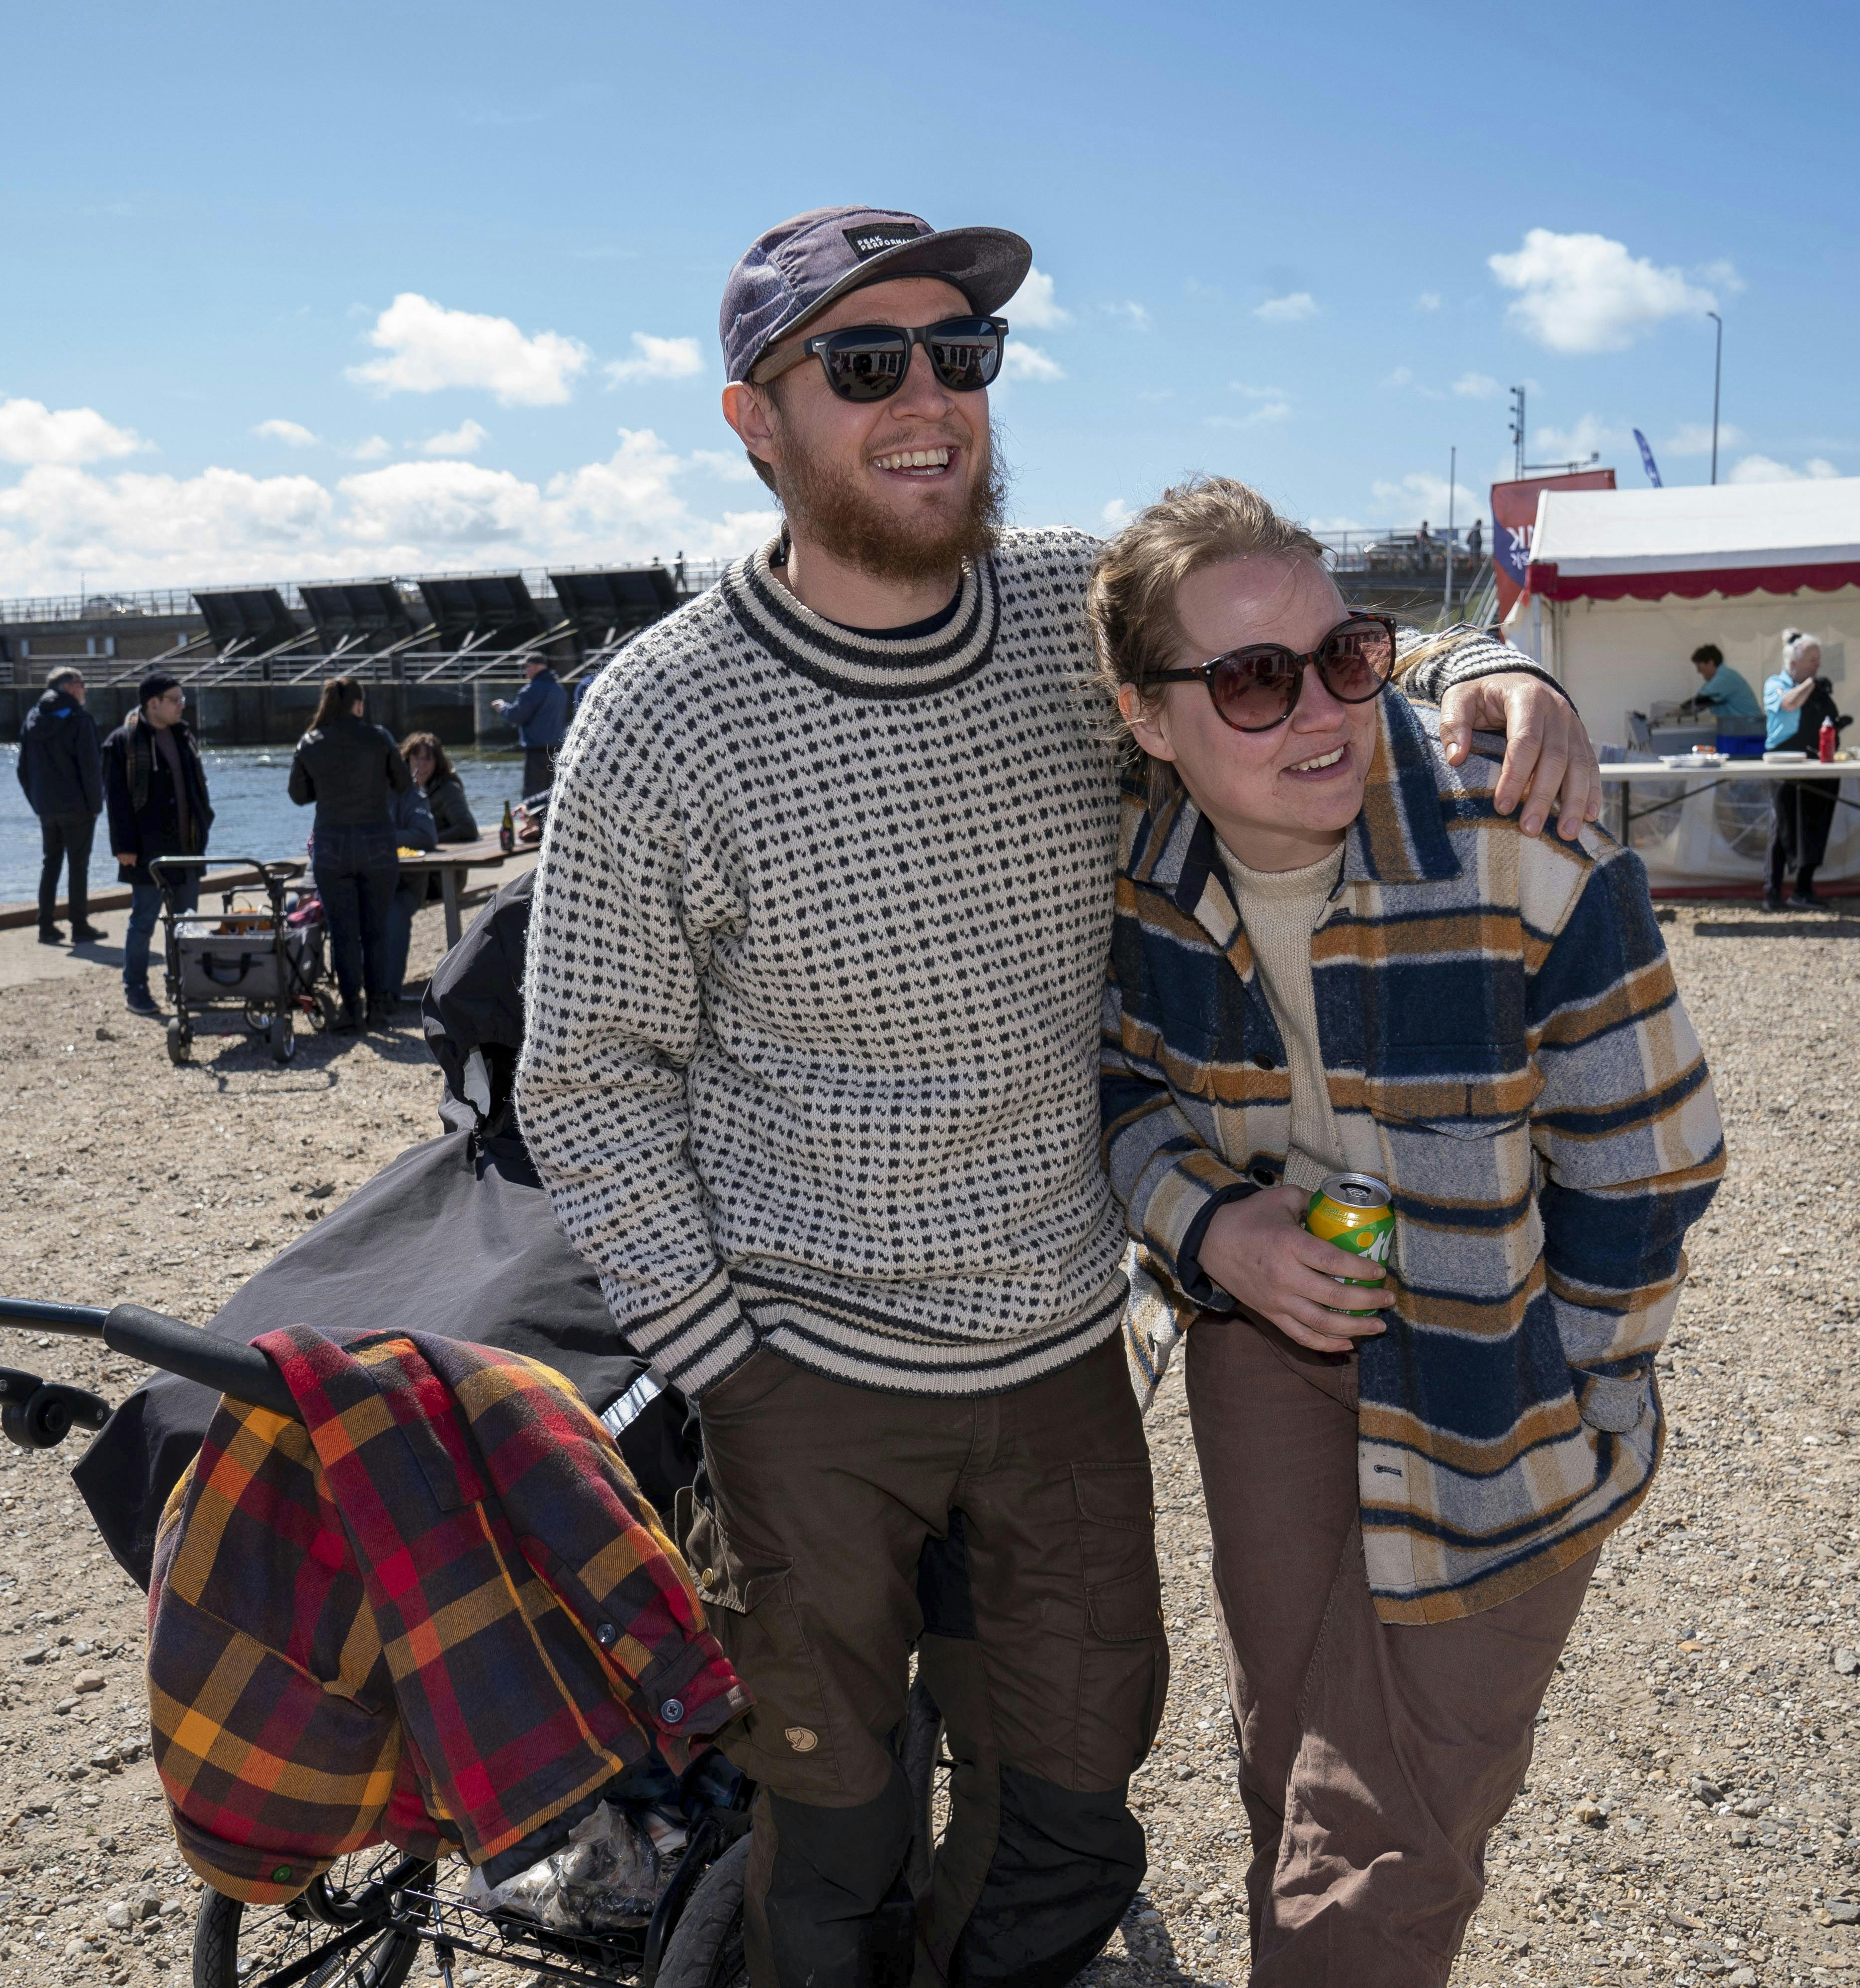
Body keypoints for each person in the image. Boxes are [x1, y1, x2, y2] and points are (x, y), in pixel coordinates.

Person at [515, 204, 1598, 1988]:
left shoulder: (1064, 617)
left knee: (1075, 1813)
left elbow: (1283, 680)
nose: (930, 396)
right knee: (834, 1835)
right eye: (866, 364)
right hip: (803, 1375)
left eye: (964, 352)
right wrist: (719, 1354)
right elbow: (587, 1071)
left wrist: (1502, 669)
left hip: (1052, 1348)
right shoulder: (659, 715)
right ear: (753, 421)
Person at [1092, 477, 1725, 1986]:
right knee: (1286, 1753)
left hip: (1499, 1386)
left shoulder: (1514, 836)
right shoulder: (1121, 869)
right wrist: (1210, 1224)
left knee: (1382, 1831)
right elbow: (1107, 1085)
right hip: (1267, 1346)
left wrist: (1572, 1392)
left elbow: (1649, 1160)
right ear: (1144, 715)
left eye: (1345, 653)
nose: (1316, 708)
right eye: (1249, 678)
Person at [289, 676, 422, 1031]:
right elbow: (403, 785)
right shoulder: (378, 737)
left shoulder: (310, 742)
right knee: (375, 929)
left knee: (344, 932)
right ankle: (378, 1007)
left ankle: (351, 1010)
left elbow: (299, 796)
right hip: (377, 842)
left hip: (332, 845)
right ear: (359, 704)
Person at [102, 674, 214, 1016]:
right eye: (176, 700)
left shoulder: (184, 737)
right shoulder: (122, 742)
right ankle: (136, 988)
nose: (183, 705)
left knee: (187, 920)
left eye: (183, 699)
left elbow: (197, 788)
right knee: (144, 920)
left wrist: (205, 822)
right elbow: (117, 800)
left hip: (187, 846)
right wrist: (123, 846)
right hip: (147, 850)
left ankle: (185, 985)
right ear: (154, 703)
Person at [17, 666, 107, 945]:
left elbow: (22, 769)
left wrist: (37, 803)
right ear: (69, 687)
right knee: (78, 866)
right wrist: (96, 805)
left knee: (50, 863)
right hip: (79, 807)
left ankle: (46, 927)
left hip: (47, 807)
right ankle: (79, 926)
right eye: (82, 684)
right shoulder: (80, 720)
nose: (85, 690)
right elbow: (91, 769)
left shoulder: (33, 719)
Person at [1762, 629, 1846, 911]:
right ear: (1794, 664)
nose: (1817, 666)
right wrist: (1811, 684)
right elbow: (1789, 703)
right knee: (1783, 826)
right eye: (1812, 660)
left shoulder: (1815, 687)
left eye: (1818, 660)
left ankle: (1804, 889)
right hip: (1783, 763)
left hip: (1815, 764)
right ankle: (1772, 893)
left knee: (1815, 824)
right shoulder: (1776, 683)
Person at [494, 655, 570, 803]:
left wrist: (502, 707)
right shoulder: (559, 689)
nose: (524, 672)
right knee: (552, 792)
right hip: (557, 749)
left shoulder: (532, 690)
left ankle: (534, 823)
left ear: (535, 667)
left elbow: (516, 716)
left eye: (526, 667)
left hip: (537, 751)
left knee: (534, 794)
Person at [402, 734, 482, 844]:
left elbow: (467, 829)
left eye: (428, 759)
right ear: (408, 761)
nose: (421, 765)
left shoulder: (449, 790)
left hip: (446, 856)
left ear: (437, 762)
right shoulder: (400, 791)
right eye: (416, 758)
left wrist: (429, 840)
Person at [1681, 641, 1761, 728]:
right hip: (1744, 728)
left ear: (1711, 663)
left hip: (1751, 729)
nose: (1699, 672)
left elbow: (1699, 702)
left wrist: (1670, 714)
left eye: (1700, 668)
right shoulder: (1723, 677)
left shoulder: (1725, 678)